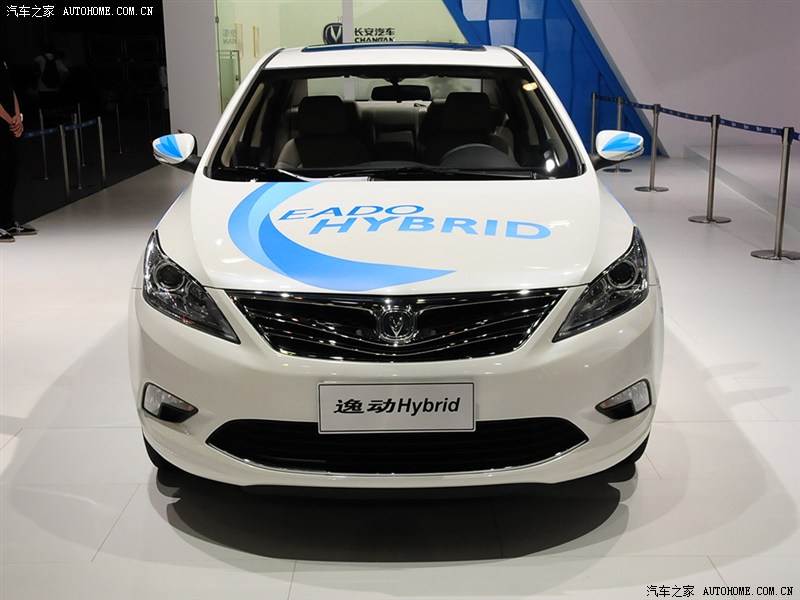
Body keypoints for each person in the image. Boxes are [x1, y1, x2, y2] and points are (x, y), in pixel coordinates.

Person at [0, 57, 37, 242]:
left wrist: (17, 116)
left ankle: (7, 221)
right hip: (3, 123)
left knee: (10, 171)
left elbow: (10, 89)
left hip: (8, 125)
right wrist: (11, 120)